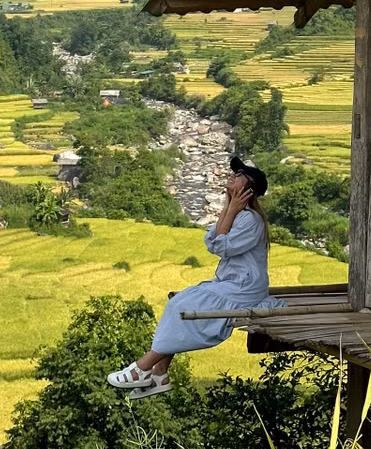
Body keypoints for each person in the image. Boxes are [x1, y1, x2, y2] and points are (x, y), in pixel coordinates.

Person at [107, 156, 287, 399]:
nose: (233, 175)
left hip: (244, 289)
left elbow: (221, 246)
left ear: (249, 189)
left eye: (240, 174)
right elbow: (212, 241)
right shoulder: (237, 213)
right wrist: (229, 206)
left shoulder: (250, 220)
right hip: (231, 284)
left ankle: (142, 368)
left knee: (179, 304)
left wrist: (231, 209)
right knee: (180, 300)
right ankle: (159, 373)